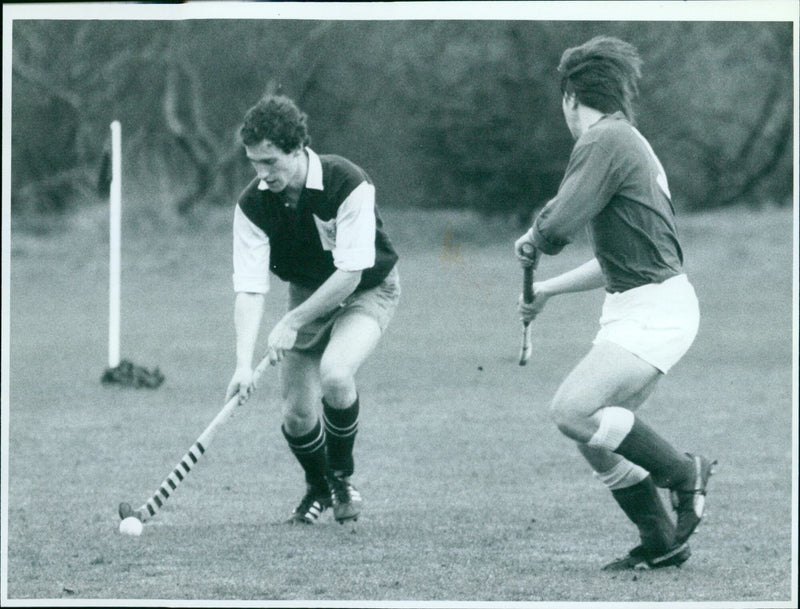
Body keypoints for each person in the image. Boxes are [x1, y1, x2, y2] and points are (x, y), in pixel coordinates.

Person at [514, 36, 715, 570]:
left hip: (654, 309)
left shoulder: (603, 140)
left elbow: (556, 228)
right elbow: (615, 259)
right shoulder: (629, 140)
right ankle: (662, 540)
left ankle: (682, 472)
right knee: (596, 435)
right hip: (644, 305)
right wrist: (547, 290)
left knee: (570, 410)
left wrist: (534, 238)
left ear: (570, 98)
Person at [225, 94, 400, 525]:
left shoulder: (348, 183)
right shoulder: (252, 206)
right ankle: (318, 486)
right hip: (307, 294)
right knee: (297, 414)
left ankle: (341, 478)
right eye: (254, 163)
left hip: (367, 288)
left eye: (271, 162)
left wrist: (291, 321)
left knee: (337, 373)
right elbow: (249, 289)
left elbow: (351, 273)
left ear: (298, 151)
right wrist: (242, 364)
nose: (262, 175)